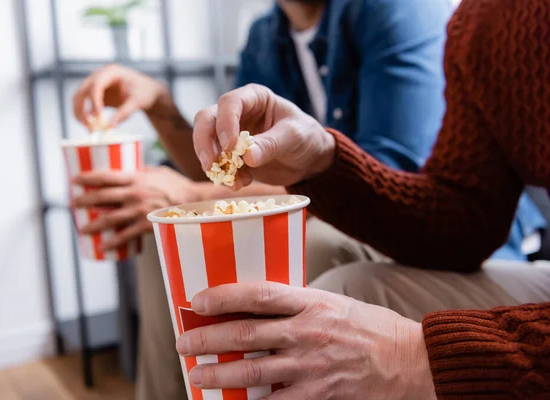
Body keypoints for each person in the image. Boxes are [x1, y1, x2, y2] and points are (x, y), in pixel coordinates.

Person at [71, 0, 454, 398]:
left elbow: (390, 174)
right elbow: (230, 168)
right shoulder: (264, 35)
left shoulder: (395, 9)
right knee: (166, 242)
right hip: (329, 211)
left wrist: (191, 195)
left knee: (315, 247)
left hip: (408, 229)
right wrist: (160, 104)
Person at [182, 0, 550, 397]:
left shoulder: (395, 11)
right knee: (346, 289)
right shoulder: (485, 20)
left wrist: (415, 357)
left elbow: (397, 156)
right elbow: (465, 222)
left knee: (321, 252)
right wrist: (322, 163)